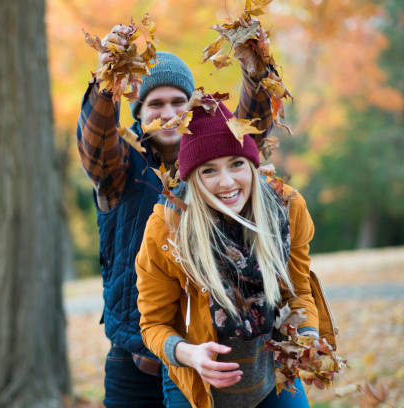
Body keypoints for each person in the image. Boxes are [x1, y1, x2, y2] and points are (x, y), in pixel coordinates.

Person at [76, 23, 273, 407]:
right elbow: (95, 141)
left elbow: (252, 131)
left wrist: (255, 71)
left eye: (178, 102)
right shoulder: (121, 167)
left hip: (207, 356)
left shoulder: (215, 168)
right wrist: (107, 82)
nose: (168, 113)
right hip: (137, 361)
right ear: (139, 111)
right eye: (156, 104)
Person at [135, 101, 319, 408]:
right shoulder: (167, 228)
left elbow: (298, 292)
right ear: (192, 178)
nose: (227, 182)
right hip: (198, 384)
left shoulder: (286, 210)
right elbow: (152, 325)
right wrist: (189, 354)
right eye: (209, 170)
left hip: (271, 377)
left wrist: (308, 337)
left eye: (236, 163)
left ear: (252, 165)